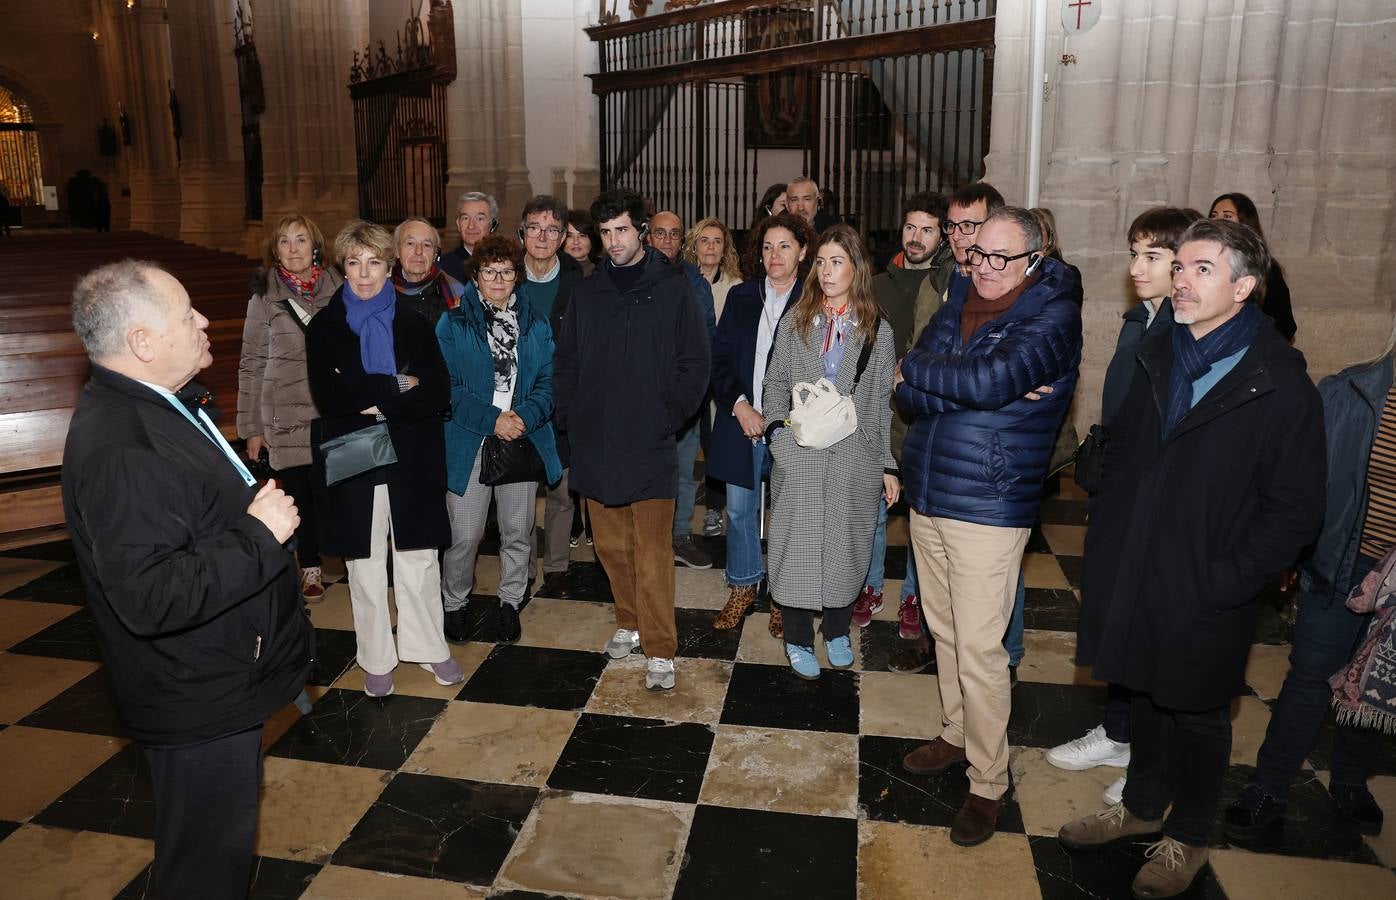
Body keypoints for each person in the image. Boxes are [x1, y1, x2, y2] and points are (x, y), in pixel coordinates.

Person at [1060, 218, 1325, 898]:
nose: (1181, 278)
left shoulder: (1278, 381)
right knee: (1145, 690)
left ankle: (1191, 836)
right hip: (1139, 562)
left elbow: (1295, 511)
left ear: (1244, 287)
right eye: (1179, 266)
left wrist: (1227, 580)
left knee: (1199, 712)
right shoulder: (1162, 349)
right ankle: (1143, 807)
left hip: (1209, 581)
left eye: (1200, 268)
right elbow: (1130, 446)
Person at [63, 260, 312, 899]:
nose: (203, 321)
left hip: (216, 673)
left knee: (215, 855)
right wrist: (259, 535)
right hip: (195, 696)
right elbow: (150, 594)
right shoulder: (125, 449)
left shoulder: (162, 404)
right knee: (203, 871)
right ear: (142, 343)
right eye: (186, 314)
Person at [895, 206, 1083, 847]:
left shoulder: (1053, 315)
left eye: (1003, 258)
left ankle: (988, 782)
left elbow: (988, 377)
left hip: (988, 501)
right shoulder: (959, 295)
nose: (987, 268)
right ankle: (954, 732)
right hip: (928, 489)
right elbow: (914, 389)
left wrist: (942, 378)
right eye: (979, 254)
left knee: (980, 647)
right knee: (944, 631)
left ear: (1036, 258)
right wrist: (959, 384)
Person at [1044, 206, 1201, 806]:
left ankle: (1148, 761)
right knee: (1117, 618)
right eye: (1133, 253)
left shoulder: (1187, 333)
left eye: (1151, 257)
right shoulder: (1145, 318)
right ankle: (1117, 732)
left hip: (1157, 503)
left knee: (1151, 628)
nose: (1136, 267)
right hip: (1122, 489)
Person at [1224, 323, 1396, 840]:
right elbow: (1308, 482)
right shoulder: (1349, 392)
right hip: (1344, 563)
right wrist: (1291, 553)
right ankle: (1269, 786)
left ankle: (1349, 781)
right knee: (1312, 677)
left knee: (1376, 687)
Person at [554, 189, 710, 691]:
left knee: (653, 551)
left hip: (650, 440)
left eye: (622, 230)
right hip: (597, 440)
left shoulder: (673, 287)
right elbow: (568, 363)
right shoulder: (587, 292)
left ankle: (661, 648)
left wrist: (668, 416)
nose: (614, 242)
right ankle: (630, 620)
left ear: (640, 230)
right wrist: (571, 416)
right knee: (611, 547)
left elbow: (695, 362)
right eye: (605, 233)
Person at [306, 220, 461, 698]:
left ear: (388, 265)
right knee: (365, 559)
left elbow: (436, 392)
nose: (364, 273)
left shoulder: (412, 322)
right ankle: (375, 656)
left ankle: (429, 645)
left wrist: (376, 396)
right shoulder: (324, 327)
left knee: (417, 554)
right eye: (354, 263)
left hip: (412, 450)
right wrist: (397, 385)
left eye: (374, 262)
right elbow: (332, 396)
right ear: (343, 268)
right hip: (355, 449)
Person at [762, 224, 899, 678]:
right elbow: (774, 384)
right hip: (800, 458)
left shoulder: (879, 330)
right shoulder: (798, 320)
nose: (825, 271)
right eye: (820, 262)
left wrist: (886, 466)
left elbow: (881, 402)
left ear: (857, 268)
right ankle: (799, 638)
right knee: (796, 547)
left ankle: (837, 631)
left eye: (836, 261)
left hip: (853, 460)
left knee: (847, 546)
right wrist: (779, 438)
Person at [886, 181, 1007, 676]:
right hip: (933, 443)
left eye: (969, 226)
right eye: (954, 226)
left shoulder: (1007, 288)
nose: (960, 236)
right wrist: (922, 380)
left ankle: (1007, 659)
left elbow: (989, 380)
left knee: (990, 584)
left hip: (987, 459)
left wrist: (922, 378)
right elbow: (914, 360)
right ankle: (936, 648)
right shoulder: (942, 284)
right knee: (933, 560)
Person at [438, 234, 563, 645]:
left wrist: (522, 418)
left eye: (506, 271)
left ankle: (511, 602)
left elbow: (548, 382)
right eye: (489, 270)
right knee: (465, 535)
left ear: (517, 277)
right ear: (475, 277)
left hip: (521, 436)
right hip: (471, 437)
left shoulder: (536, 324)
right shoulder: (453, 323)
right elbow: (449, 388)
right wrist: (494, 420)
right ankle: (455, 603)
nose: (497, 278)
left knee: (517, 530)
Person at [709, 212, 817, 636]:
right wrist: (739, 406)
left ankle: (783, 596)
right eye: (768, 246)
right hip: (743, 420)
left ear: (803, 251)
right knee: (739, 511)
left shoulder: (814, 300)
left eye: (785, 246)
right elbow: (719, 361)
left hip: (794, 427)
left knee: (788, 515)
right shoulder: (741, 297)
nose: (775, 255)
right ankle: (743, 586)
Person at [855, 191, 955, 638]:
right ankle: (869, 586)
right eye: (910, 227)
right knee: (873, 510)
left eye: (927, 229)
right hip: (879, 412)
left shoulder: (948, 286)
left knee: (920, 515)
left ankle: (914, 595)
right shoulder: (876, 285)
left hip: (926, 415)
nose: (916, 238)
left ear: (942, 235)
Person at [237, 213, 343, 601]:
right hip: (285, 414)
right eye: (285, 241)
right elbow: (251, 363)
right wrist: (252, 428)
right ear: (275, 250)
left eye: (301, 240)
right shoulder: (264, 297)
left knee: (337, 488)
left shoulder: (341, 288)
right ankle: (310, 568)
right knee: (300, 497)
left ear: (315, 246)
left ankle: (348, 553)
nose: (293, 248)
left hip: (334, 410)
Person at [514, 195, 585, 600]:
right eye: (535, 228)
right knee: (520, 492)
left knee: (561, 490)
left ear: (562, 238)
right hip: (516, 400)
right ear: (522, 232)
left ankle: (556, 566)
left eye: (552, 229)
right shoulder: (504, 274)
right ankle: (521, 569)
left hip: (562, 400)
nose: (542, 236)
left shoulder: (578, 279)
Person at [648, 210, 718, 569]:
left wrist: (693, 388)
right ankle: (650, 538)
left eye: (674, 234)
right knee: (643, 467)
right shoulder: (632, 276)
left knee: (684, 468)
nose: (668, 241)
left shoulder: (695, 281)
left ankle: (680, 535)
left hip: (685, 396)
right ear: (648, 236)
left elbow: (707, 338)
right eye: (661, 233)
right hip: (641, 395)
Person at [683, 216, 744, 538]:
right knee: (684, 445)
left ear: (725, 249)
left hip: (721, 376)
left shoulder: (735, 285)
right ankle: (679, 513)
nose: (710, 246)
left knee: (717, 443)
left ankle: (714, 510)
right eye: (704, 240)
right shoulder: (682, 280)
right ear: (694, 245)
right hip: (690, 375)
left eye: (717, 241)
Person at [1209, 192, 1297, 342]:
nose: (1218, 221)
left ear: (1244, 222)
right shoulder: (1201, 261)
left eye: (1227, 216)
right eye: (1214, 215)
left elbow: (1284, 325)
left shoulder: (1264, 267)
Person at [392, 216, 465, 326]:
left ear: (435, 254)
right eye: (410, 243)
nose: (418, 251)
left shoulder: (457, 293)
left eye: (427, 245)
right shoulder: (381, 292)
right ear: (397, 251)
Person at [441, 191, 498, 283]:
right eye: (465, 218)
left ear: (492, 224)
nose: (471, 226)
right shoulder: (443, 267)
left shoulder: (505, 264)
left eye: (479, 218)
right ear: (458, 225)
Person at [564, 207, 599, 276]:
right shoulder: (551, 273)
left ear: (592, 240)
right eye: (569, 236)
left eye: (582, 235)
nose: (576, 242)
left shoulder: (603, 273)